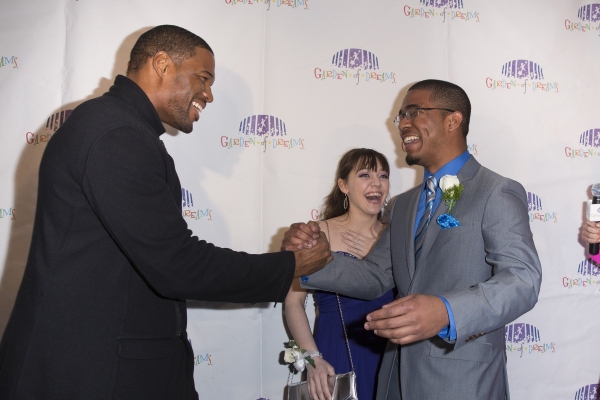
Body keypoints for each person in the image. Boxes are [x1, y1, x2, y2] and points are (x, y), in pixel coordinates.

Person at [0, 25, 331, 400]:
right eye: (202, 78)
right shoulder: (115, 134)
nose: (208, 93)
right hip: (90, 375)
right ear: (161, 64)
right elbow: (177, 265)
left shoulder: (120, 128)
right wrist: (290, 266)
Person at [282, 79, 542, 400]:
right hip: (395, 378)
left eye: (414, 112)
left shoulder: (496, 191)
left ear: (453, 120)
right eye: (401, 116)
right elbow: (375, 275)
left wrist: (446, 312)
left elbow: (523, 280)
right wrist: (312, 260)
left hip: (462, 382)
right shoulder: (402, 205)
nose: (403, 124)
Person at [284, 148, 395, 400]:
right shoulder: (318, 233)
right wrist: (313, 359)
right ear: (343, 185)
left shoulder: (397, 234)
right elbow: (292, 304)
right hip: (335, 351)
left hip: (390, 354)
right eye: (365, 175)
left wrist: (376, 257)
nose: (376, 183)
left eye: (383, 175)